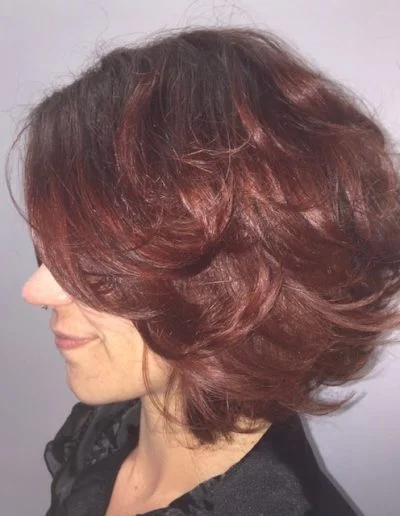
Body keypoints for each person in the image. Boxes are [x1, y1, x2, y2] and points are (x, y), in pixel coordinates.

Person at [14, 26, 400, 515]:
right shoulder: (102, 434)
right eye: (50, 250)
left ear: (237, 278)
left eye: (95, 256)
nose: (36, 290)